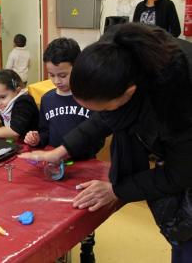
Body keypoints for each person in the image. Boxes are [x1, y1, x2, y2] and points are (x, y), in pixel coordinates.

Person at [19, 23, 192, 263]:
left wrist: (116, 189)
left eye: (107, 108)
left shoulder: (175, 102)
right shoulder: (114, 52)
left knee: (187, 244)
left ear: (129, 94)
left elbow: (181, 173)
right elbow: (104, 117)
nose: (105, 115)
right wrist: (60, 151)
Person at [23, 38, 99, 263]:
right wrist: (36, 138)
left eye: (63, 75)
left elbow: (99, 136)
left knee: (86, 213)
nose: (57, 80)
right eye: (51, 75)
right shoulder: (47, 99)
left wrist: (79, 149)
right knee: (58, 214)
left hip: (85, 167)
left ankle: (87, 246)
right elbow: (45, 132)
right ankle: (60, 252)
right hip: (56, 167)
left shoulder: (90, 99)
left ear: (79, 67)